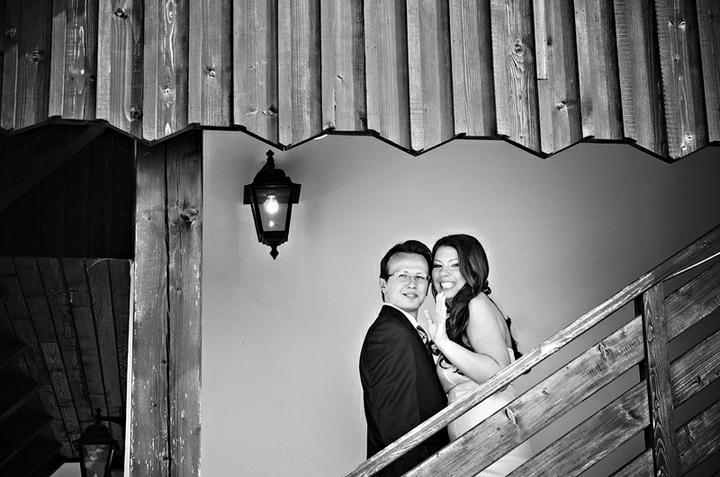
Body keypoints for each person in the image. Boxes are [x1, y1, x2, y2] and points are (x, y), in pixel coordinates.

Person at [424, 234, 532, 476]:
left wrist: (443, 343)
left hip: (492, 442)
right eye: (438, 266)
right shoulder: (464, 311)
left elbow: (497, 376)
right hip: (475, 444)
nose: (443, 274)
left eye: (455, 265)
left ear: (472, 268)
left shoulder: (477, 304)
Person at [359, 240, 449, 476]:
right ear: (383, 284)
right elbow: (399, 432)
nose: (412, 284)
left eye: (420, 277)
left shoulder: (406, 331)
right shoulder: (390, 334)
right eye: (403, 275)